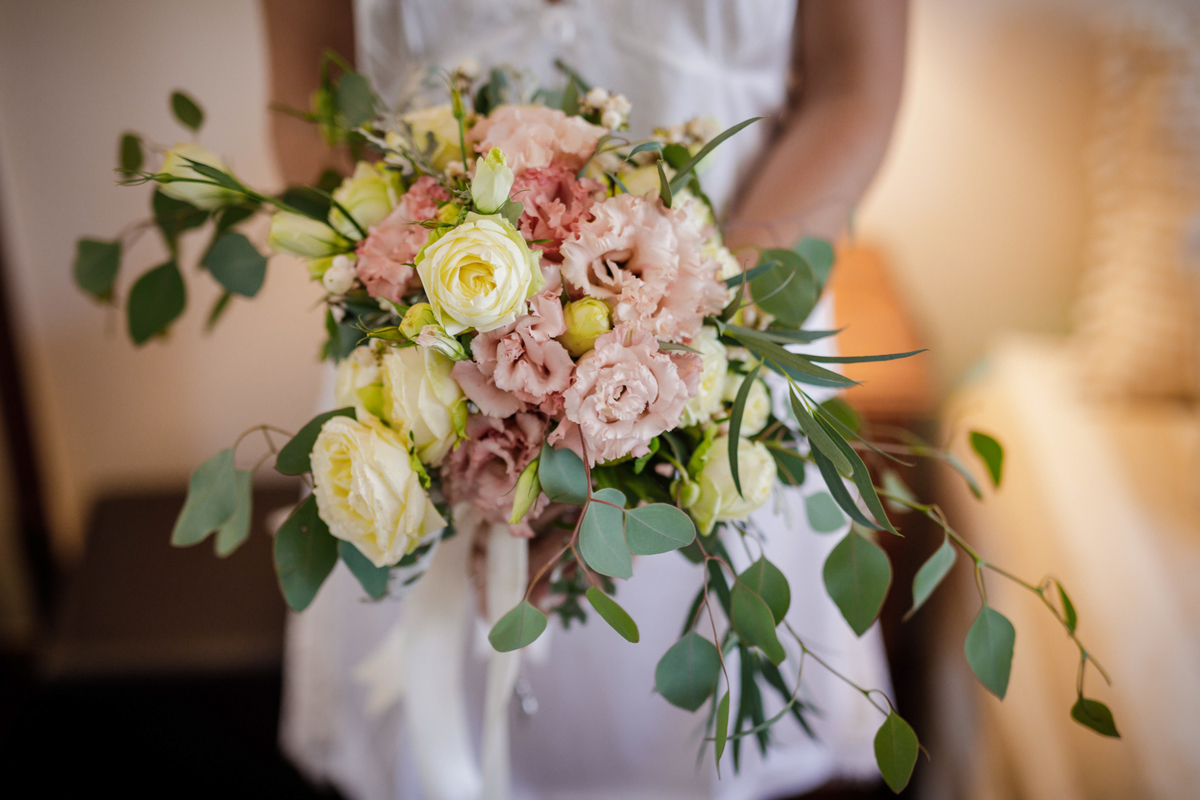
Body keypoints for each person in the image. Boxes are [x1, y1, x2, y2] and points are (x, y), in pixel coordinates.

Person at [262, 2, 908, 798]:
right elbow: (310, 95)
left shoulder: (708, 347)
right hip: (426, 369)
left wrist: (682, 338)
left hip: (728, 355)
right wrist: (434, 348)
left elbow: (854, 93)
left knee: (705, 736)